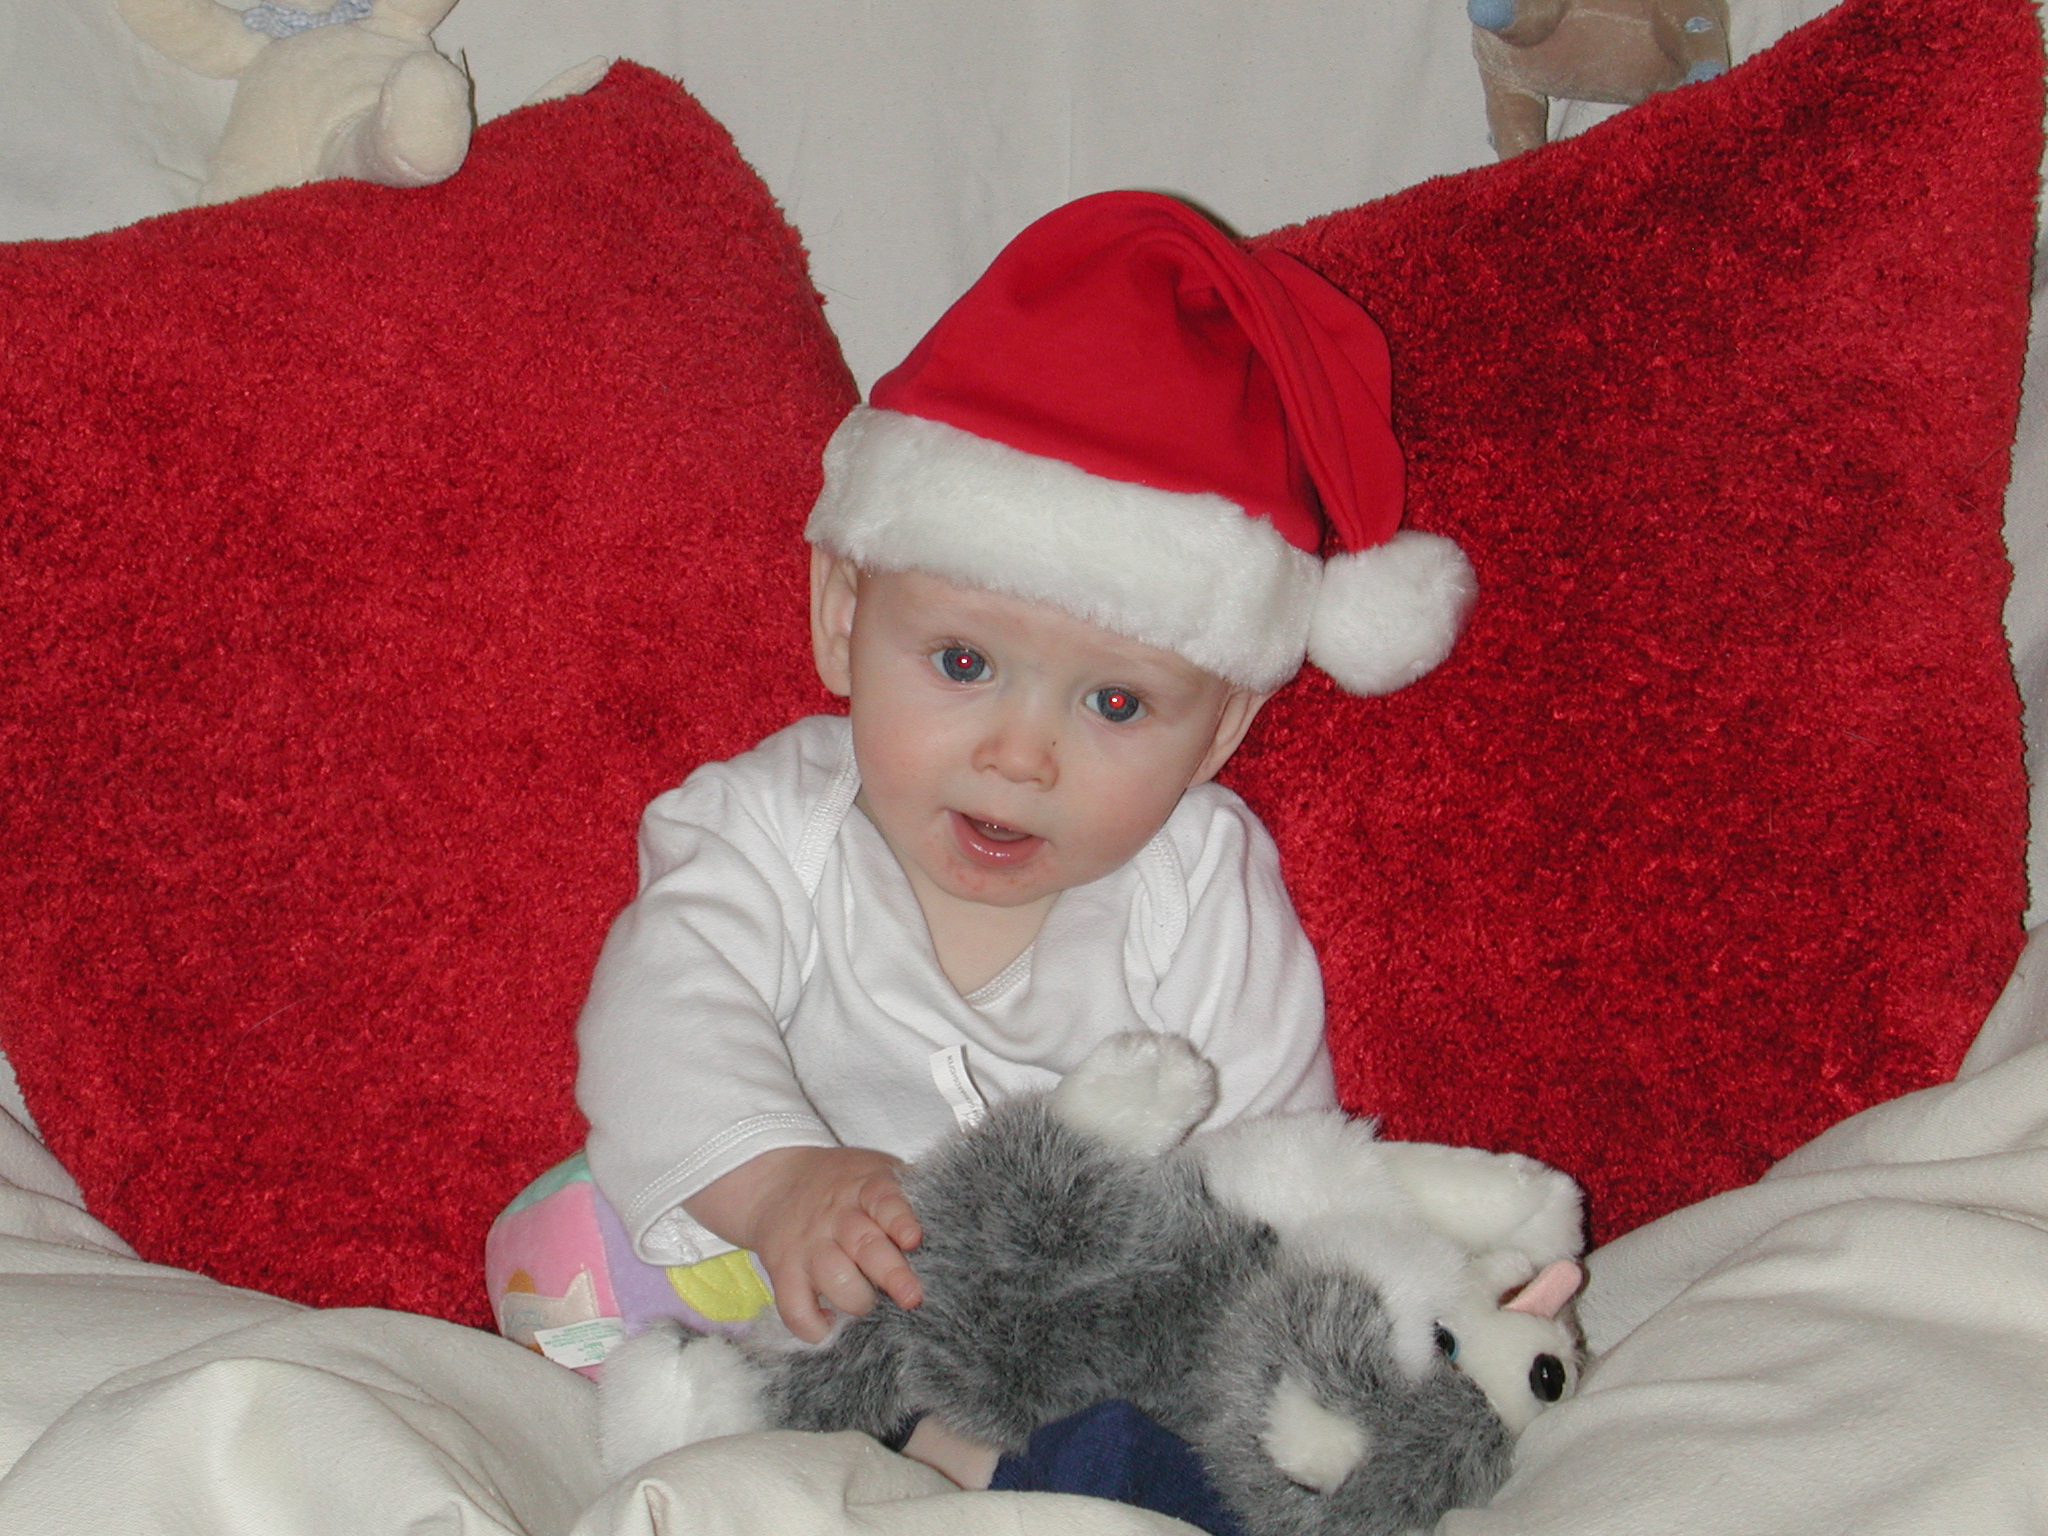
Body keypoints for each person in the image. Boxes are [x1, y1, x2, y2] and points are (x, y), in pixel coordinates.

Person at [487, 190, 1476, 1386]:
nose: (1020, 756)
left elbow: (1267, 1158)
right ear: (842, 615)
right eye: (961, 665)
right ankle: (749, 1406)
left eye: (1116, 705)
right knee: (565, 1250)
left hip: (1045, 1330)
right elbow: (664, 1021)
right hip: (778, 1275)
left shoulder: (1202, 885)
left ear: (1221, 728)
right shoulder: (756, 825)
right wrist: (782, 1181)